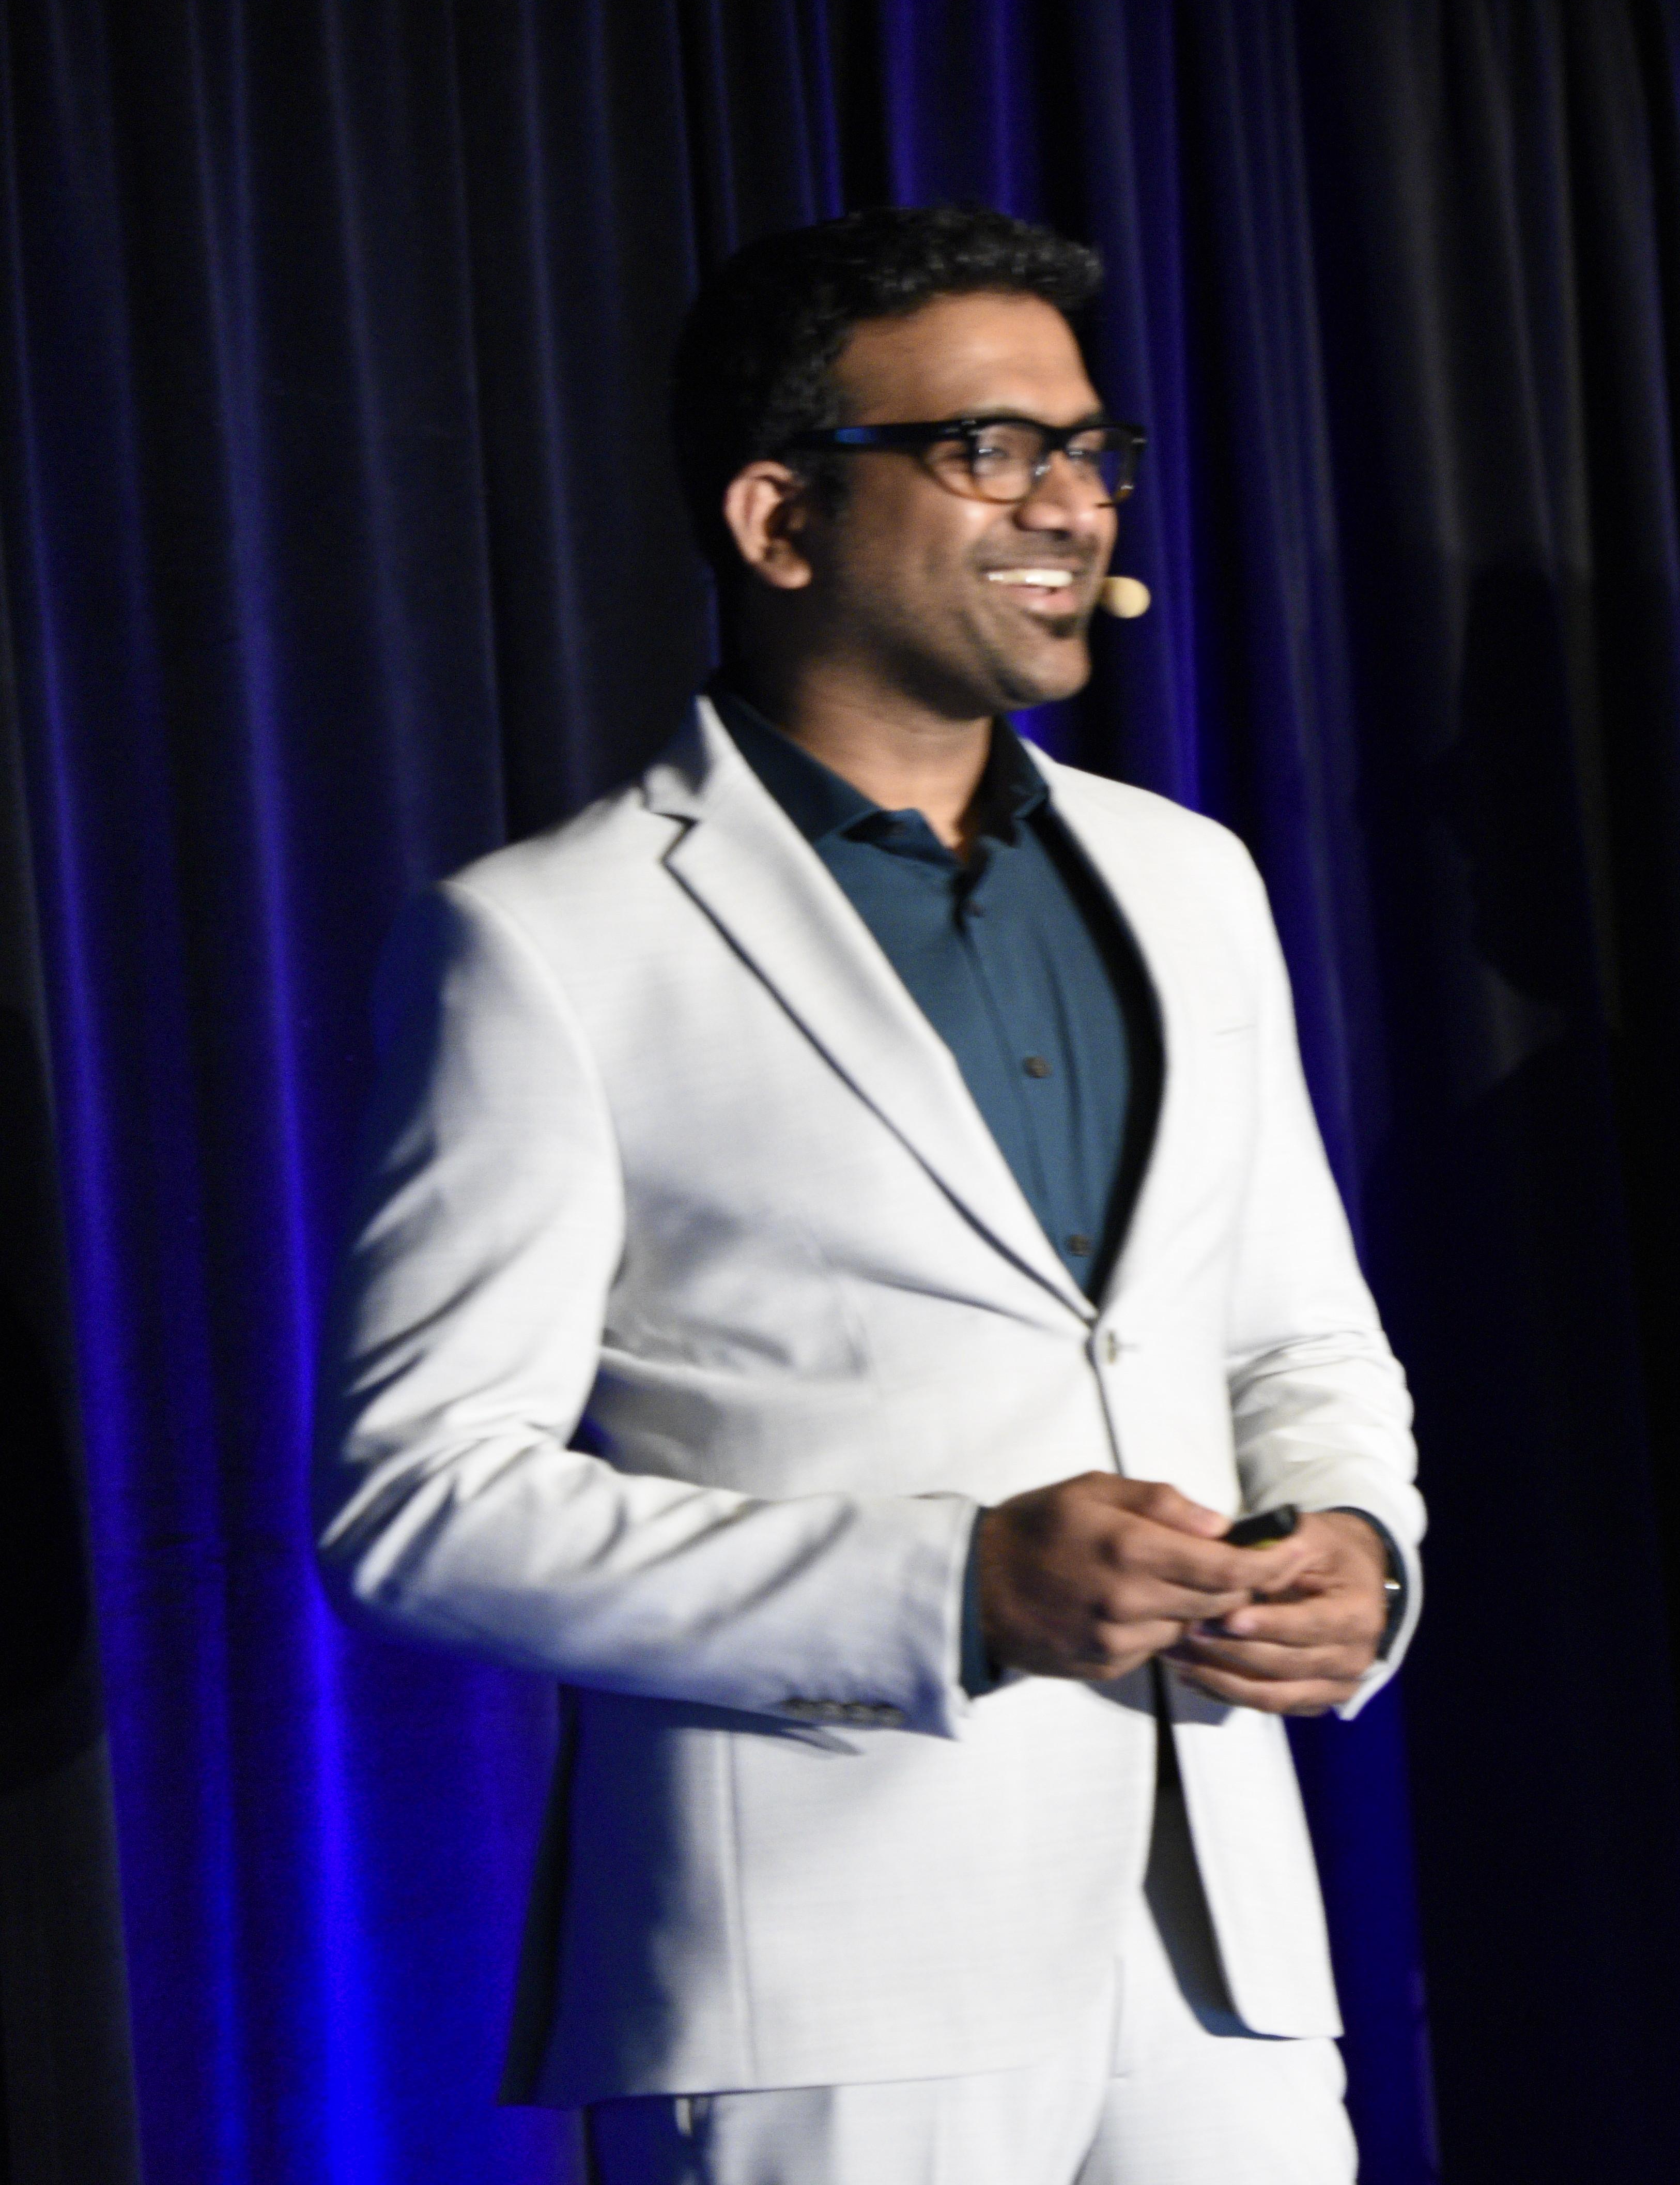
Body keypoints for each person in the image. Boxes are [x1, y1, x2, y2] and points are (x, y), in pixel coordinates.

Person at [317, 206, 1422, 2185]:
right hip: (822, 1979)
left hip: (1218, 1953)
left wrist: (1357, 1546)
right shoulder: (547, 940)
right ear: (779, 518)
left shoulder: (1191, 879)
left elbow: (1294, 1337)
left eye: (1089, 449)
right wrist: (950, 1588)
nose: (1071, 503)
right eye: (991, 449)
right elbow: (419, 1506)